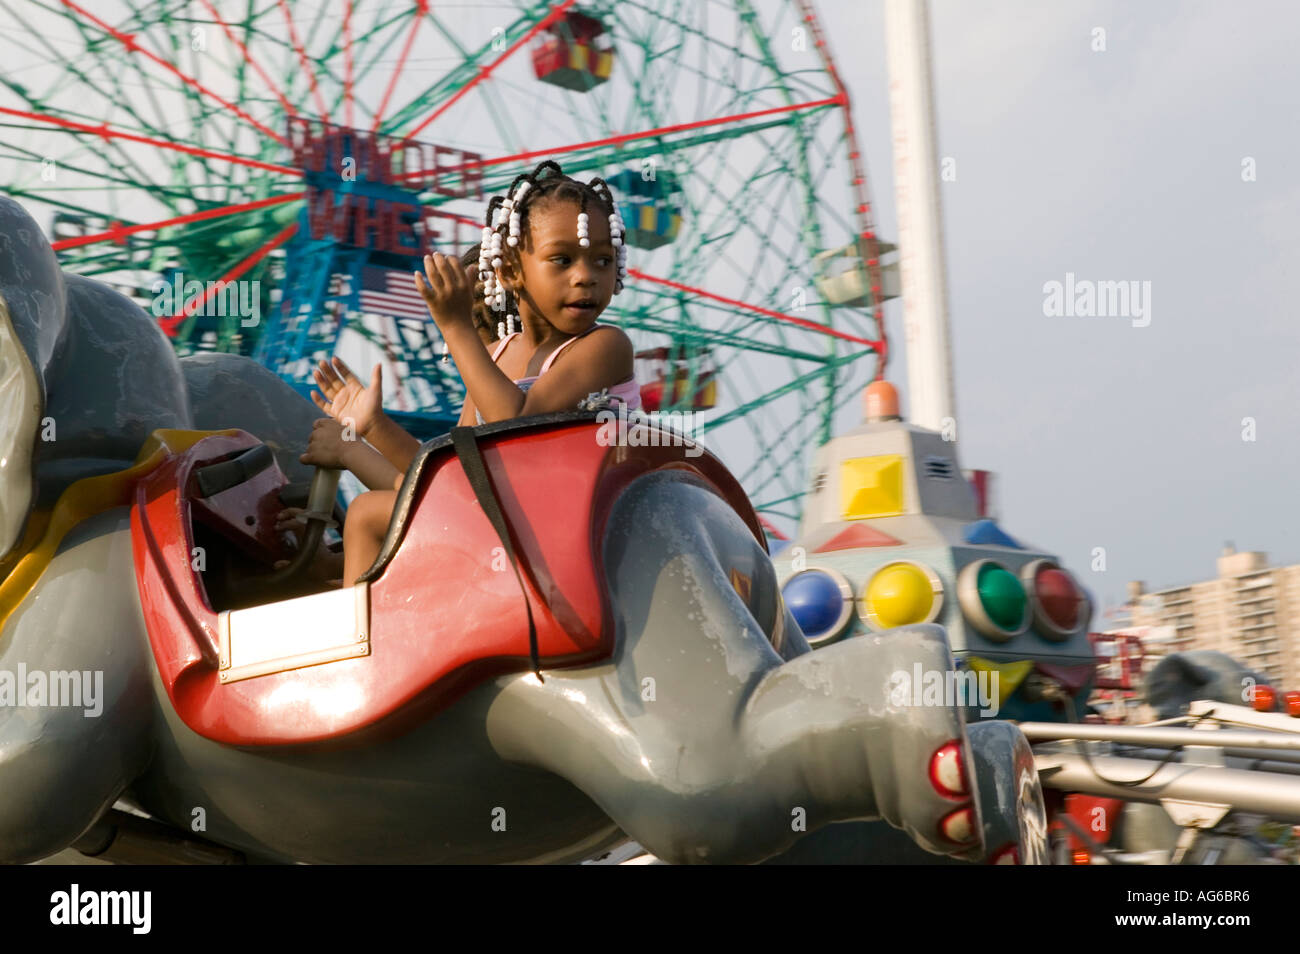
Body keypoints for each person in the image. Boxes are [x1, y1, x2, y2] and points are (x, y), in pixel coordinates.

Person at [290, 160, 641, 586]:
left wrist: (456, 328)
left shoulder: (605, 347)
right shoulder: (496, 356)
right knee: (393, 505)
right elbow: (450, 469)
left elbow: (514, 421)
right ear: (511, 270)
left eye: (603, 260)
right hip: (507, 524)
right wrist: (374, 427)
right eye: (563, 259)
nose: (586, 276)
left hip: (573, 526)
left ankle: (359, 646)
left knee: (365, 513)